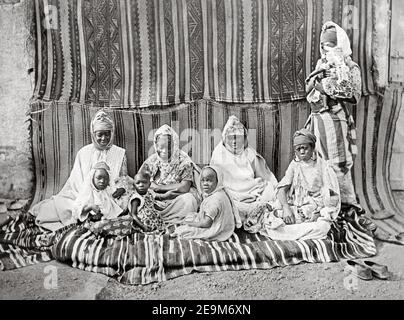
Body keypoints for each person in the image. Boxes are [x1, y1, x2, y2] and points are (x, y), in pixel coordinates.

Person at [29, 110, 129, 231]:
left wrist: (118, 190)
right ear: (93, 134)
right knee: (61, 207)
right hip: (84, 194)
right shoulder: (84, 152)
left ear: (112, 133)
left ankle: (100, 219)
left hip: (111, 194)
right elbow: (76, 181)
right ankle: (89, 215)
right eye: (100, 134)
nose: (104, 138)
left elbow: (123, 178)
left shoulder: (119, 153)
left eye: (107, 134)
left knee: (128, 203)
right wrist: (90, 199)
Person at [305, 21, 363, 212]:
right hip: (319, 119)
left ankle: (344, 205)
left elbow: (354, 96)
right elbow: (309, 86)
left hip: (336, 120)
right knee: (319, 161)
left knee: (337, 162)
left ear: (339, 44)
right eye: (323, 46)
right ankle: (325, 204)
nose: (325, 49)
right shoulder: (321, 64)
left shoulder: (350, 66)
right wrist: (315, 84)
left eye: (329, 45)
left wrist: (326, 88)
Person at [245, 129, 341, 241]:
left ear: (312, 147)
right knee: (266, 210)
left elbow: (332, 198)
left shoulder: (323, 167)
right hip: (295, 204)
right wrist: (286, 208)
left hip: (315, 209)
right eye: (298, 149)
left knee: (322, 227)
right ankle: (286, 223)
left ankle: (286, 226)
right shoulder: (295, 164)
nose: (301, 151)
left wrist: (320, 214)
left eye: (304, 148)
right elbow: (282, 189)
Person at [210, 115, 278, 222]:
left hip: (251, 193)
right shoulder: (218, 154)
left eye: (238, 138)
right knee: (221, 203)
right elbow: (213, 181)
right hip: (229, 194)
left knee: (269, 190)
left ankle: (253, 211)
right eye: (231, 138)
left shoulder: (249, 153)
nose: (234, 142)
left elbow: (265, 177)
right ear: (224, 138)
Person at [139, 124, 199, 225]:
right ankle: (157, 216)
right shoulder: (152, 161)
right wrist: (159, 195)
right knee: (138, 199)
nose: (164, 151)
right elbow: (141, 181)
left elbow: (184, 187)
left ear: (174, 145)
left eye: (168, 147)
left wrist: (160, 188)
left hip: (176, 198)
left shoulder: (183, 160)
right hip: (156, 199)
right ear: (155, 145)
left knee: (190, 201)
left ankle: (163, 217)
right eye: (161, 147)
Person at [173, 166, 240, 241]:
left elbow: (206, 224)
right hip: (225, 225)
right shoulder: (221, 191)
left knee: (184, 230)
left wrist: (189, 224)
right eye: (202, 180)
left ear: (218, 181)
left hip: (217, 228)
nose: (205, 184)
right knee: (191, 216)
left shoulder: (214, 201)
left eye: (209, 180)